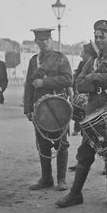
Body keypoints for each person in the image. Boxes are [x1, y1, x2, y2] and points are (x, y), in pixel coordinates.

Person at [56, 20, 107, 208]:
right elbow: (79, 84)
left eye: (102, 37)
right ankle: (75, 194)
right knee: (85, 153)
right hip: (92, 111)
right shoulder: (91, 62)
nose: (98, 40)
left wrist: (93, 77)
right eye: (96, 36)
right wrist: (95, 79)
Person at [23, 28, 73, 191]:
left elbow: (68, 80)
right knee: (42, 143)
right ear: (36, 42)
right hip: (40, 108)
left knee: (61, 143)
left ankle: (62, 179)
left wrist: (45, 83)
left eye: (46, 40)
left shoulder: (60, 58)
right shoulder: (33, 61)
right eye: (40, 40)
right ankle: (46, 179)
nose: (43, 43)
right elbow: (29, 86)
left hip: (58, 106)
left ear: (51, 40)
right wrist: (28, 108)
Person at [71, 41, 98, 136]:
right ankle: (79, 130)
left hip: (90, 100)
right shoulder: (82, 64)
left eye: (83, 52)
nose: (81, 55)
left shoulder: (95, 66)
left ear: (89, 54)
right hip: (80, 97)